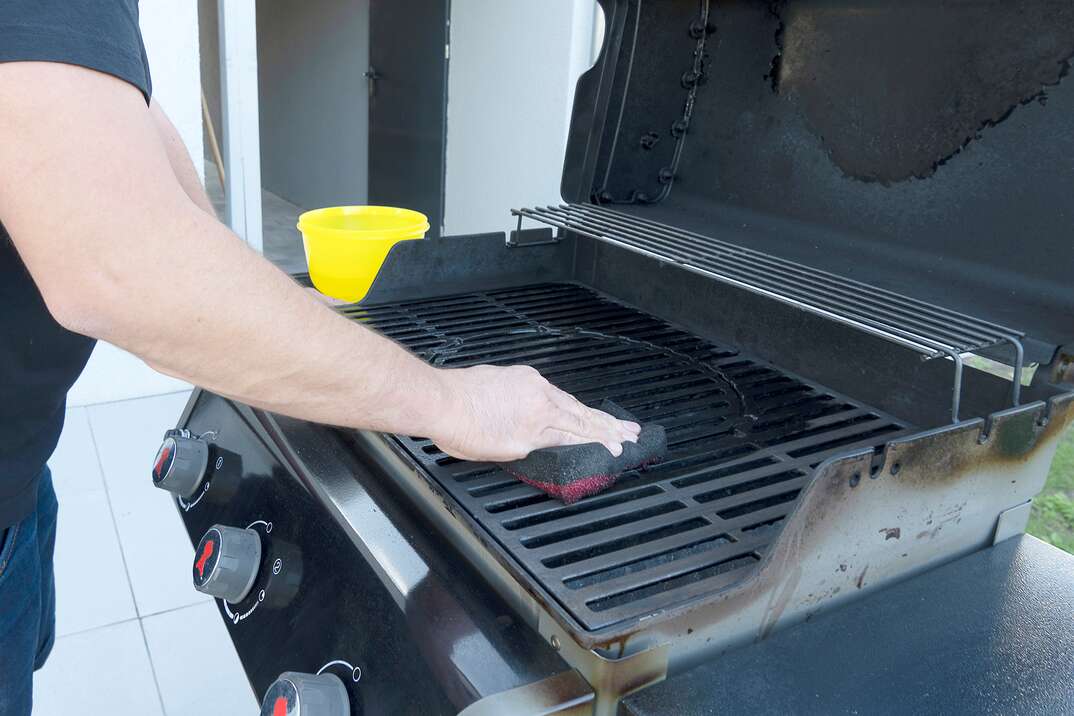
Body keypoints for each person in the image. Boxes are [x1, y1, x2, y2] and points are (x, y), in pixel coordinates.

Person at [0, 3, 639, 712]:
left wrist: (274, 311)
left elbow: (129, 134)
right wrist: (454, 403)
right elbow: (123, 266)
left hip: (18, 473)